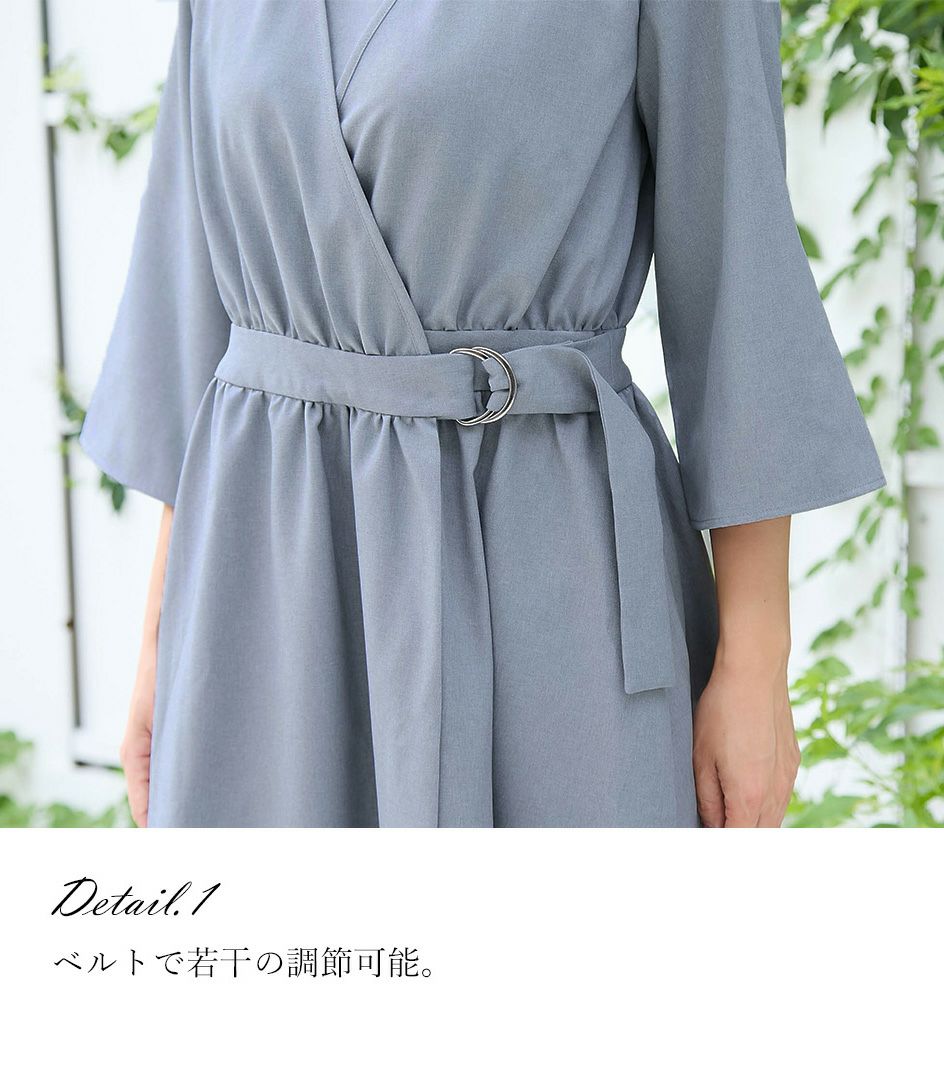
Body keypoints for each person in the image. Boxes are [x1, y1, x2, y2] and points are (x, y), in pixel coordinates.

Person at [81, 0, 886, 828]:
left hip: (542, 561)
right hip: (263, 581)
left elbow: (738, 276)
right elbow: (193, 309)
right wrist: (160, 641)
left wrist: (756, 664)